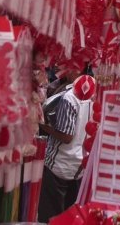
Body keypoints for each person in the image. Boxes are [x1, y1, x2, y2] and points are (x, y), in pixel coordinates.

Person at [38, 75, 95, 222]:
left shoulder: (70, 98)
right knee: (71, 215)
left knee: (51, 215)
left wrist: (42, 125)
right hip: (79, 165)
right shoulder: (94, 92)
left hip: (59, 164)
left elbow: (66, 136)